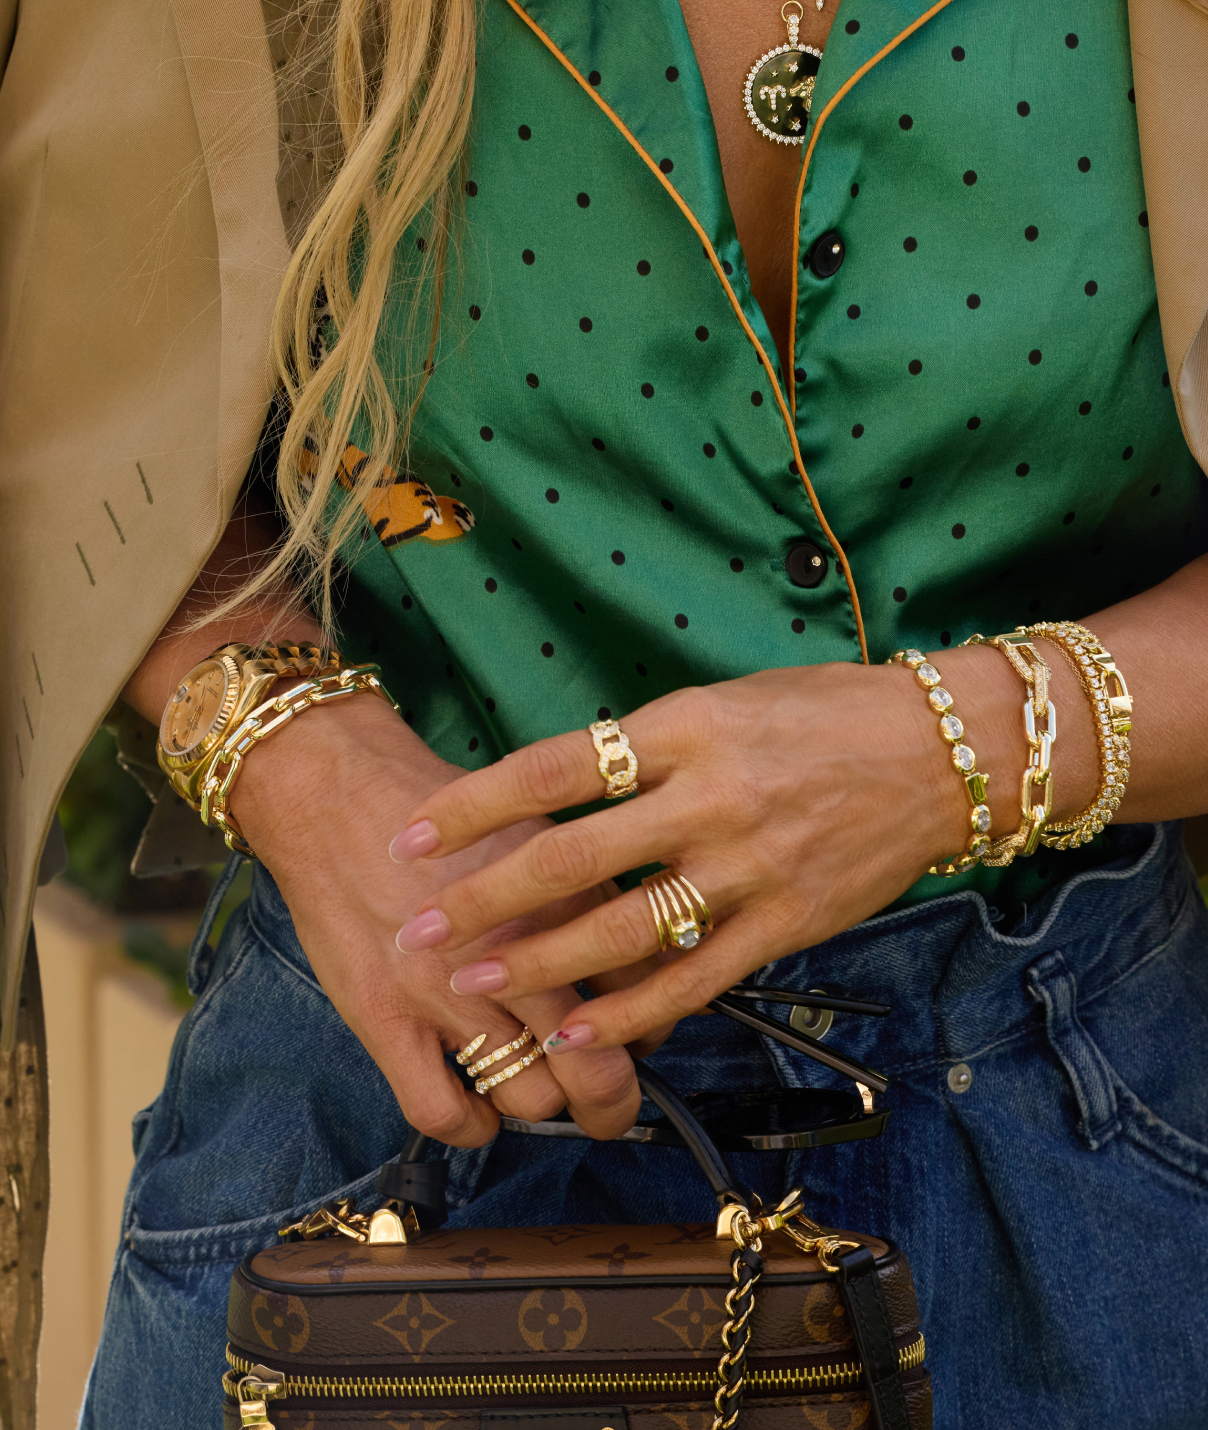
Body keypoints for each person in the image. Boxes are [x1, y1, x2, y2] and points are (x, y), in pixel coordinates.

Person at [3, 0, 1208, 1426]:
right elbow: (64, 362)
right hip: (388, 1134)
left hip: (1077, 1178)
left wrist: (964, 751)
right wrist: (284, 744)